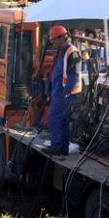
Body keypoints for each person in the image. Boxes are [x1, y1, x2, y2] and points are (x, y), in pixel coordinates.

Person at [44, 25, 82, 155]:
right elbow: (54, 72)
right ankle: (63, 148)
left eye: (54, 40)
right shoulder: (62, 51)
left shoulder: (71, 51)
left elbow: (73, 75)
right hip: (58, 91)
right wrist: (48, 90)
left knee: (54, 118)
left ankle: (56, 147)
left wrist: (65, 92)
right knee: (62, 120)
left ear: (62, 38)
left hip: (64, 93)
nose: (53, 43)